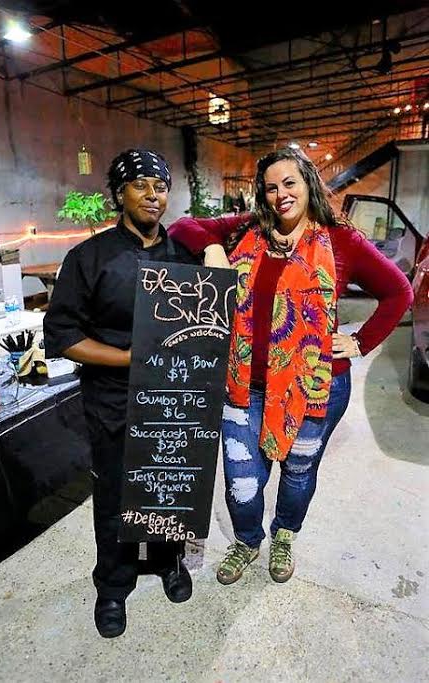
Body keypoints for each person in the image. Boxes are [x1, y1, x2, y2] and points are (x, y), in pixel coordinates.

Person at [168, 146, 414, 586]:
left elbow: (399, 293)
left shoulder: (341, 240)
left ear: (308, 184)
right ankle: (247, 539)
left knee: (298, 473)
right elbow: (183, 226)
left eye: (289, 183)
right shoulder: (246, 229)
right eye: (271, 187)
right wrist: (211, 247)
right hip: (245, 384)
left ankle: (284, 534)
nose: (281, 194)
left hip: (315, 387)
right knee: (242, 479)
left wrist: (359, 342)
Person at [44, 149, 197, 638]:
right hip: (113, 402)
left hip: (175, 402)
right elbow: (64, 336)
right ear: (119, 193)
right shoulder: (88, 258)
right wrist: (133, 359)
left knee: (169, 491)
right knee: (114, 496)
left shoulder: (185, 258)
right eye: (141, 184)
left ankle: (168, 562)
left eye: (160, 186)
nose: (153, 194)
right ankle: (113, 584)